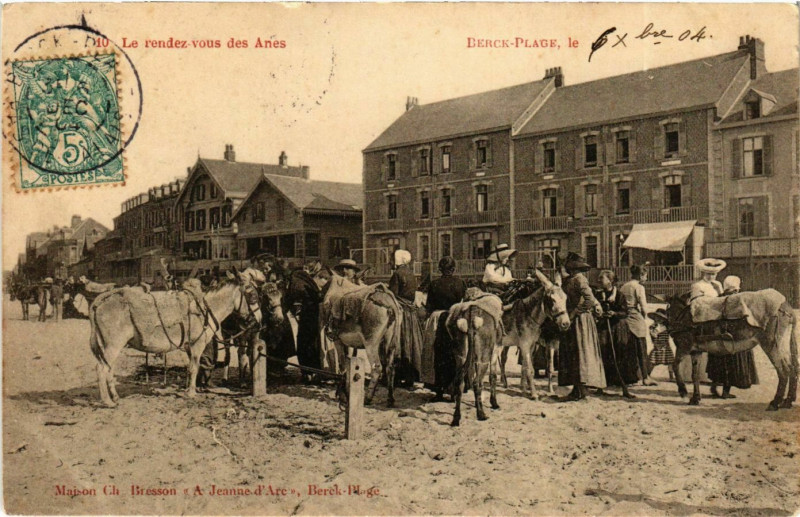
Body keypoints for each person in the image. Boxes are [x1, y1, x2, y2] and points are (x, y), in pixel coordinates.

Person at [558, 252, 605, 401]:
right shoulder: (569, 280)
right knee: (572, 353)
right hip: (571, 319)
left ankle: (581, 390)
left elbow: (589, 300)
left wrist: (575, 313)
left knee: (581, 352)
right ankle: (577, 389)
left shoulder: (579, 279)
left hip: (580, 320)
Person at [706, 275, 759, 398]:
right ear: (735, 289)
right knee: (731, 362)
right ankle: (725, 392)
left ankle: (714, 386)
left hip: (718, 335)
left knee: (717, 361)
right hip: (733, 336)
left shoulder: (718, 298)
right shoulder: (737, 299)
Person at [424, 256, 467, 401]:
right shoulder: (460, 283)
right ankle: (455, 390)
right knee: (457, 354)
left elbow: (429, 306)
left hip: (438, 319)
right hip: (455, 320)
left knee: (436, 353)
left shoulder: (434, 284)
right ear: (454, 269)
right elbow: (464, 302)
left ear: (440, 269)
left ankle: (439, 391)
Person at [594, 270, 636, 398]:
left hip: (617, 328)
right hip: (603, 328)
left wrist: (614, 313)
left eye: (602, 278)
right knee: (602, 353)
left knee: (619, 354)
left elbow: (625, 312)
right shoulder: (597, 294)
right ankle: (601, 385)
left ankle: (622, 385)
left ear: (610, 280)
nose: (599, 280)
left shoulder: (619, 295)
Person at [285, 261, 326, 383]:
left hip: (305, 316)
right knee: (313, 344)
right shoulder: (306, 280)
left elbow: (291, 297)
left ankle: (306, 373)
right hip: (313, 314)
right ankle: (314, 372)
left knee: (303, 343)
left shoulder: (296, 279)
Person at [619, 263, 657, 386]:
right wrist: (646, 317)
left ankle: (630, 377)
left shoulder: (623, 286)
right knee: (641, 348)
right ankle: (645, 377)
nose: (646, 278)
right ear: (641, 275)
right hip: (635, 317)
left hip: (624, 319)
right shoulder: (639, 287)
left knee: (628, 348)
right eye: (645, 276)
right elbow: (643, 306)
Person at [389, 249, 422, 386]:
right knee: (412, 344)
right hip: (411, 313)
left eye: (392, 259)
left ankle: (397, 376)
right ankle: (412, 376)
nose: (389, 262)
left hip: (401, 312)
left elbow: (393, 296)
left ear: (397, 260)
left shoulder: (397, 274)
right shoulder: (411, 274)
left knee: (399, 343)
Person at [648, 309, 675, 381]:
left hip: (666, 346)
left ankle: (671, 377)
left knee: (670, 362)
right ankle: (647, 375)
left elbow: (671, 333)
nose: (658, 319)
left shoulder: (666, 327)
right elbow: (653, 335)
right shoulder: (653, 327)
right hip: (657, 346)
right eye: (657, 317)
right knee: (652, 361)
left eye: (660, 318)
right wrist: (656, 330)